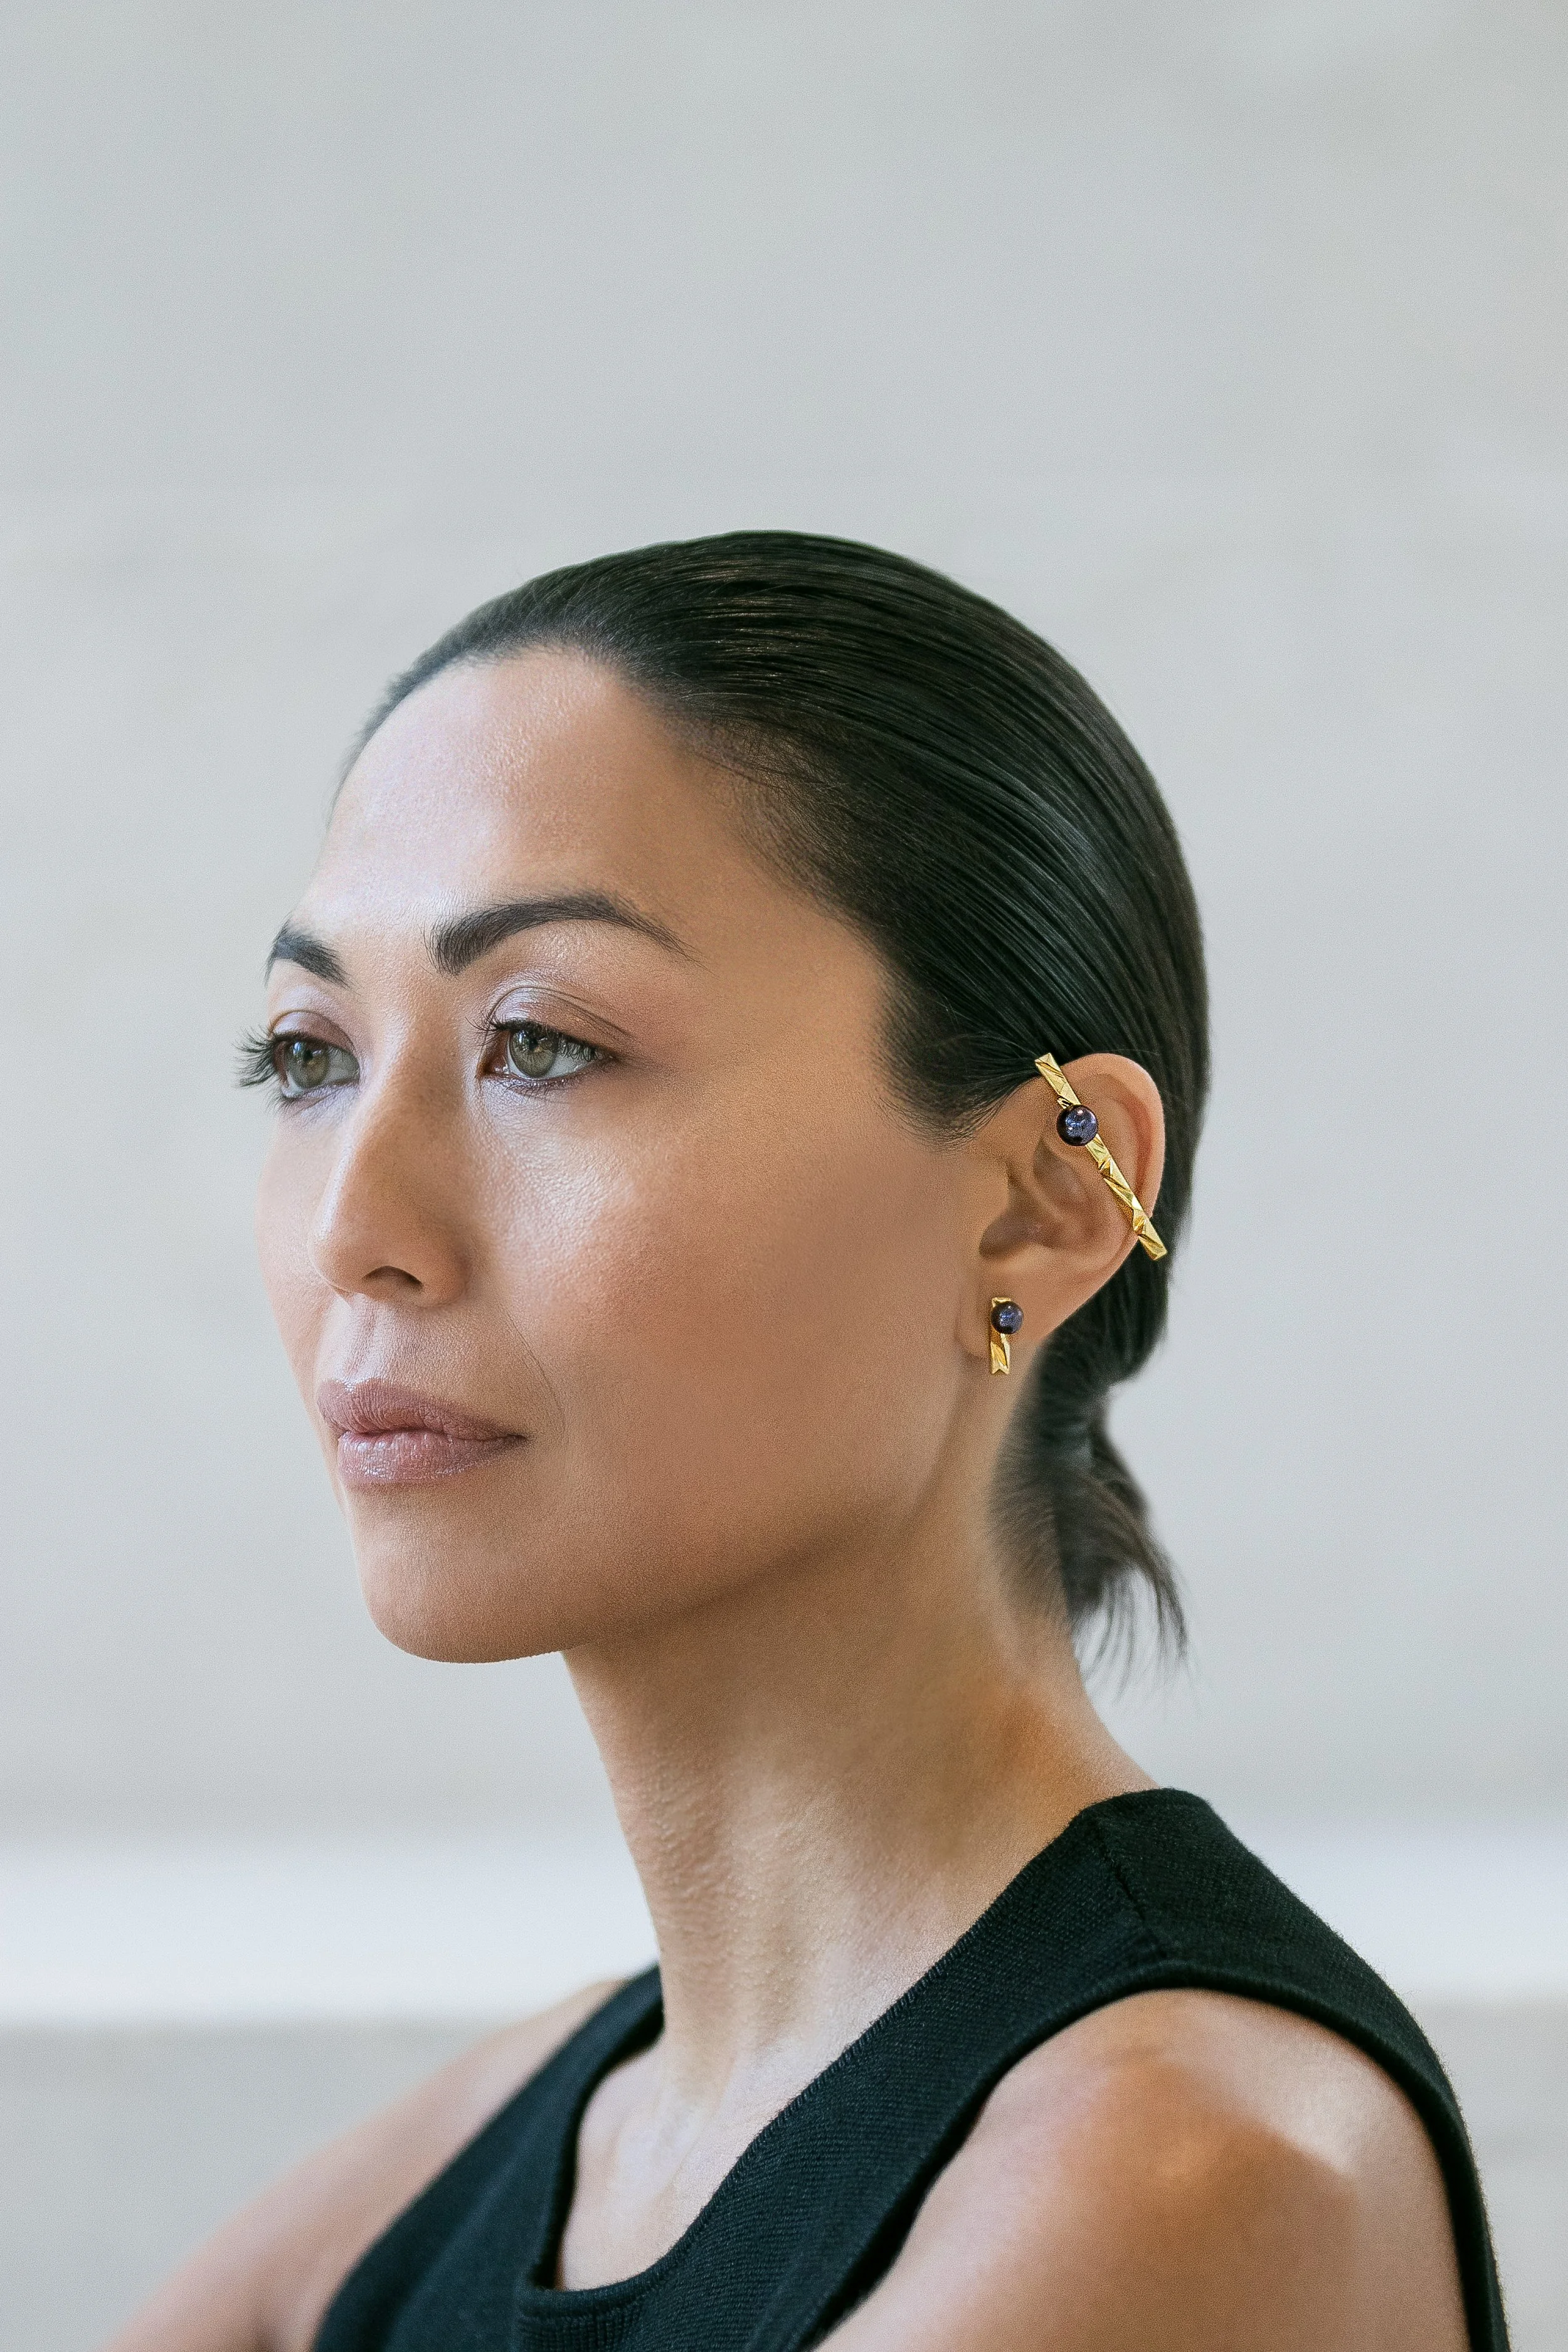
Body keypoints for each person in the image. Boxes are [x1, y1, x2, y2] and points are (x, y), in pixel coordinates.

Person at [107, 533, 1503, 2351]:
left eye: (540, 1041)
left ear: (1039, 1201)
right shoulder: (517, 2131)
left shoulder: (1192, 2175)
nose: (355, 1223)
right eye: (307, 1055)